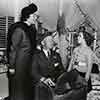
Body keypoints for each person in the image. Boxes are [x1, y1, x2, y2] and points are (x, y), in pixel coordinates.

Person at [7, 3, 38, 100]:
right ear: (27, 16)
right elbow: (13, 49)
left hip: (27, 66)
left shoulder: (30, 29)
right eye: (34, 15)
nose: (35, 17)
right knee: (18, 91)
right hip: (18, 67)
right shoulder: (19, 30)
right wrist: (12, 66)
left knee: (25, 91)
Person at [54, 26, 94, 100]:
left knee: (80, 94)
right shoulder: (76, 49)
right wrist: (68, 73)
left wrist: (85, 81)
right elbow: (71, 63)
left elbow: (89, 68)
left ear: (84, 39)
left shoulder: (89, 52)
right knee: (71, 93)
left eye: (79, 36)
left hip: (82, 75)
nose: (77, 37)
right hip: (74, 73)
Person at [31, 32, 65, 100]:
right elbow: (33, 72)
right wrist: (44, 79)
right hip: (41, 85)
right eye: (49, 40)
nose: (52, 42)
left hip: (55, 84)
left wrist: (62, 79)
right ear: (43, 43)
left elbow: (62, 70)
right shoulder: (36, 56)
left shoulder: (56, 55)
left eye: (52, 40)